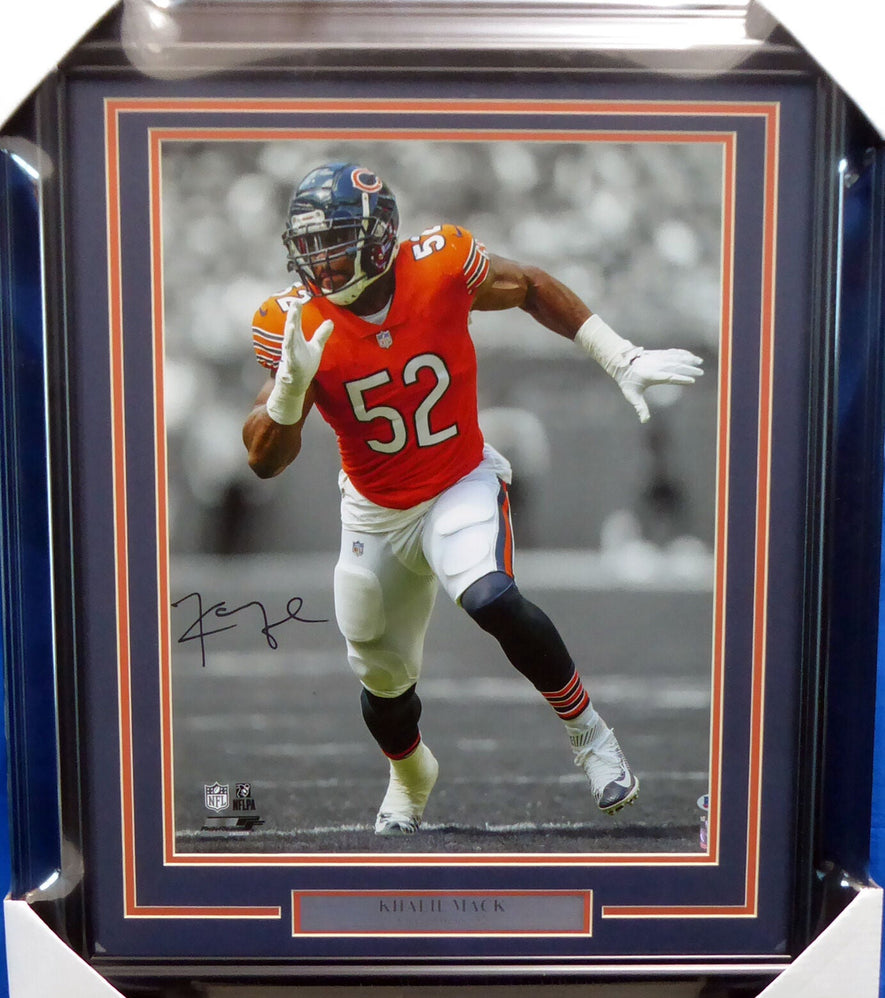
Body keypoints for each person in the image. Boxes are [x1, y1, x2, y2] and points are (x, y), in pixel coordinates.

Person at [244, 162, 703, 836]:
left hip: (457, 480)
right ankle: (410, 774)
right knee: (381, 676)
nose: (319, 261)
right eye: (309, 245)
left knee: (489, 595)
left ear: (379, 240)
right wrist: (287, 393)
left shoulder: (440, 265)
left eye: (335, 242)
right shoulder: (293, 320)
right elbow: (263, 461)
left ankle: (589, 732)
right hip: (373, 509)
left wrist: (619, 356)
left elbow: (531, 285)